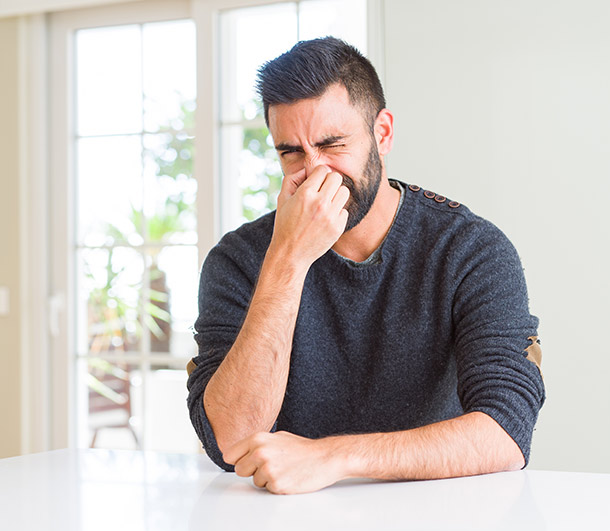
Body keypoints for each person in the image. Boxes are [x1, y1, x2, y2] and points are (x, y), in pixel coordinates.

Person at [186, 37, 545, 495]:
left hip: (442, 510)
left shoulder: (470, 249)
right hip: (286, 516)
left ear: (383, 133)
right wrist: (288, 259)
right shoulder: (238, 260)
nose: (316, 172)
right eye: (290, 152)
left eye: (332, 144)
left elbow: (507, 432)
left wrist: (334, 457)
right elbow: (229, 441)